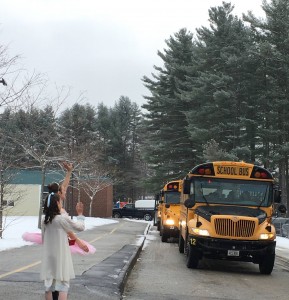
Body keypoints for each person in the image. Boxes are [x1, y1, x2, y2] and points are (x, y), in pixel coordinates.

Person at [41, 192, 89, 300]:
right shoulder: (62, 219)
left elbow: (43, 238)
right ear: (57, 203)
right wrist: (80, 214)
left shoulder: (44, 219)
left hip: (49, 256)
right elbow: (80, 227)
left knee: (49, 285)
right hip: (61, 256)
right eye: (61, 201)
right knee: (63, 284)